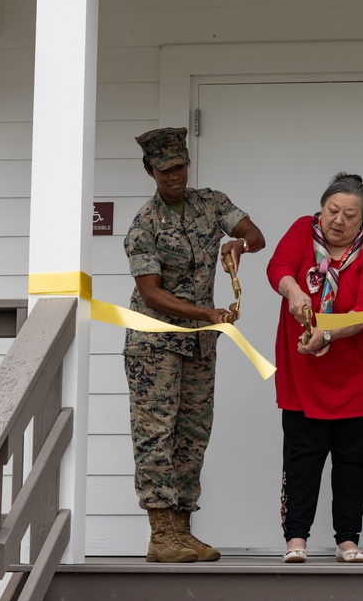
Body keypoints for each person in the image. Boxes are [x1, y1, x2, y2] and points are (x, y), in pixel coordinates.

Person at [123, 127, 265, 563]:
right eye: (165, 170)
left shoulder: (212, 203)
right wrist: (206, 314)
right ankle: (160, 534)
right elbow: (151, 292)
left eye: (180, 166)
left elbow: (256, 234)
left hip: (201, 346)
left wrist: (239, 245)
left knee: (193, 435)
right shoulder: (144, 226)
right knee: (156, 435)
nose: (174, 177)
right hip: (155, 345)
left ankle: (182, 531)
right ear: (150, 171)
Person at [266, 172, 363, 564]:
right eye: (332, 210)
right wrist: (294, 293)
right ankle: (296, 540)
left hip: (360, 373)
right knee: (301, 457)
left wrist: (327, 334)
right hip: (305, 372)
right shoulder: (300, 232)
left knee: (353, 461)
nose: (338, 220)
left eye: (350, 215)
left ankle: (347, 541)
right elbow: (279, 268)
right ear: (321, 209)